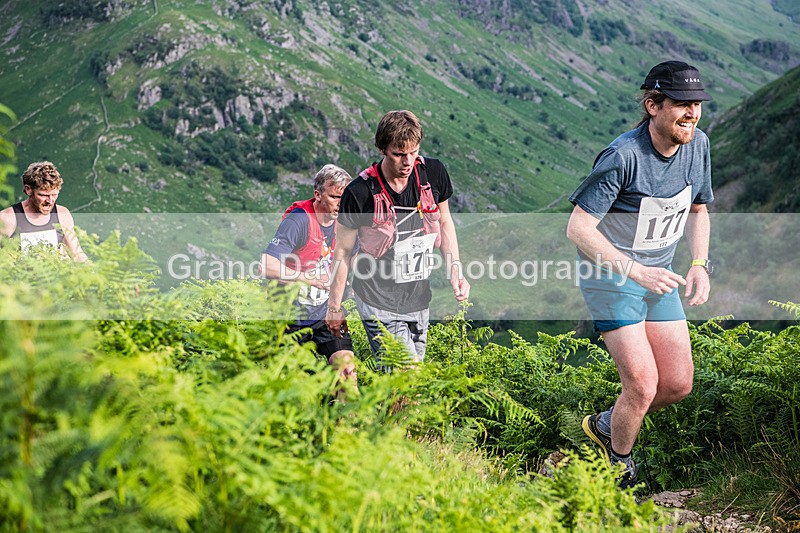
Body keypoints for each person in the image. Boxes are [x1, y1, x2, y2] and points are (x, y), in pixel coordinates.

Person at [566, 60, 714, 487]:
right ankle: (619, 470)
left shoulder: (698, 145)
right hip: (611, 278)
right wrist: (635, 271)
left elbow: (698, 210)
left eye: (697, 104)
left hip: (658, 275)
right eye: (681, 104)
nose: (691, 113)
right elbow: (578, 228)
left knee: (677, 385)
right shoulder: (623, 157)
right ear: (653, 106)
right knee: (643, 385)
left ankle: (606, 425)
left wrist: (699, 264)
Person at [325, 110, 470, 370]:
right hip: (377, 298)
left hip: (418, 297)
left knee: (407, 382)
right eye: (399, 154)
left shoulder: (433, 173)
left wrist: (456, 271)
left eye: (414, 152)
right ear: (382, 149)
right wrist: (334, 307)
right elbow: (343, 253)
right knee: (408, 375)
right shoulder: (359, 193)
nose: (408, 161)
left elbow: (445, 222)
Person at [261, 164, 357, 399]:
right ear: (318, 195)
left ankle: (346, 421)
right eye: (335, 197)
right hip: (290, 315)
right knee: (295, 388)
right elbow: (266, 265)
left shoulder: (345, 221)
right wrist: (308, 279)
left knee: (347, 371)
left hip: (325, 312)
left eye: (344, 198)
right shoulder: (299, 220)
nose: (341, 204)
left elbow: (353, 256)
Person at [0, 161, 87, 262]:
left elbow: (77, 255)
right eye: (44, 195)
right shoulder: (8, 218)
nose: (50, 201)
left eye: (54, 194)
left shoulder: (62, 214)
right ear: (28, 190)